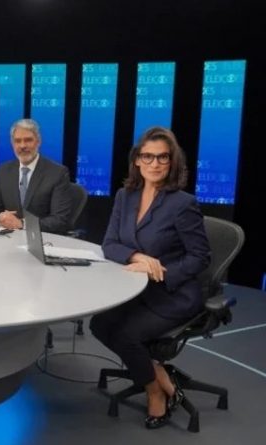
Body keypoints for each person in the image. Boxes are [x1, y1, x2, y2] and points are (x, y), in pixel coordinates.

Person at [90, 126, 210, 429]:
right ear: (137, 160)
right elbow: (109, 244)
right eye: (148, 156)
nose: (154, 164)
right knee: (99, 324)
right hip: (136, 290)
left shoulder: (182, 203)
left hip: (174, 293)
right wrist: (137, 257)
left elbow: (200, 257)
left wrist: (161, 271)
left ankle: (154, 392)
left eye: (162, 157)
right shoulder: (125, 196)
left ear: (171, 162)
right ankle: (157, 371)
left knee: (126, 335)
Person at [0, 118, 72, 233]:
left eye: (28, 140)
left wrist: (22, 224)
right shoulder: (3, 171)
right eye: (18, 141)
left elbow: (59, 220)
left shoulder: (58, 173)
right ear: (12, 144)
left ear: (38, 141)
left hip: (42, 239)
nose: (22, 145)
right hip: (8, 238)